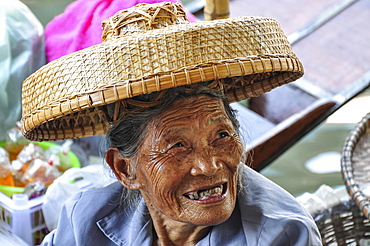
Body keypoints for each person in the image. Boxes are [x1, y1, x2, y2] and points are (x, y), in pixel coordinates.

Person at [20, 2, 322, 245]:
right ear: (125, 169)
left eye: (221, 135)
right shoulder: (84, 219)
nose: (209, 166)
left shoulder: (281, 235)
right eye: (178, 146)